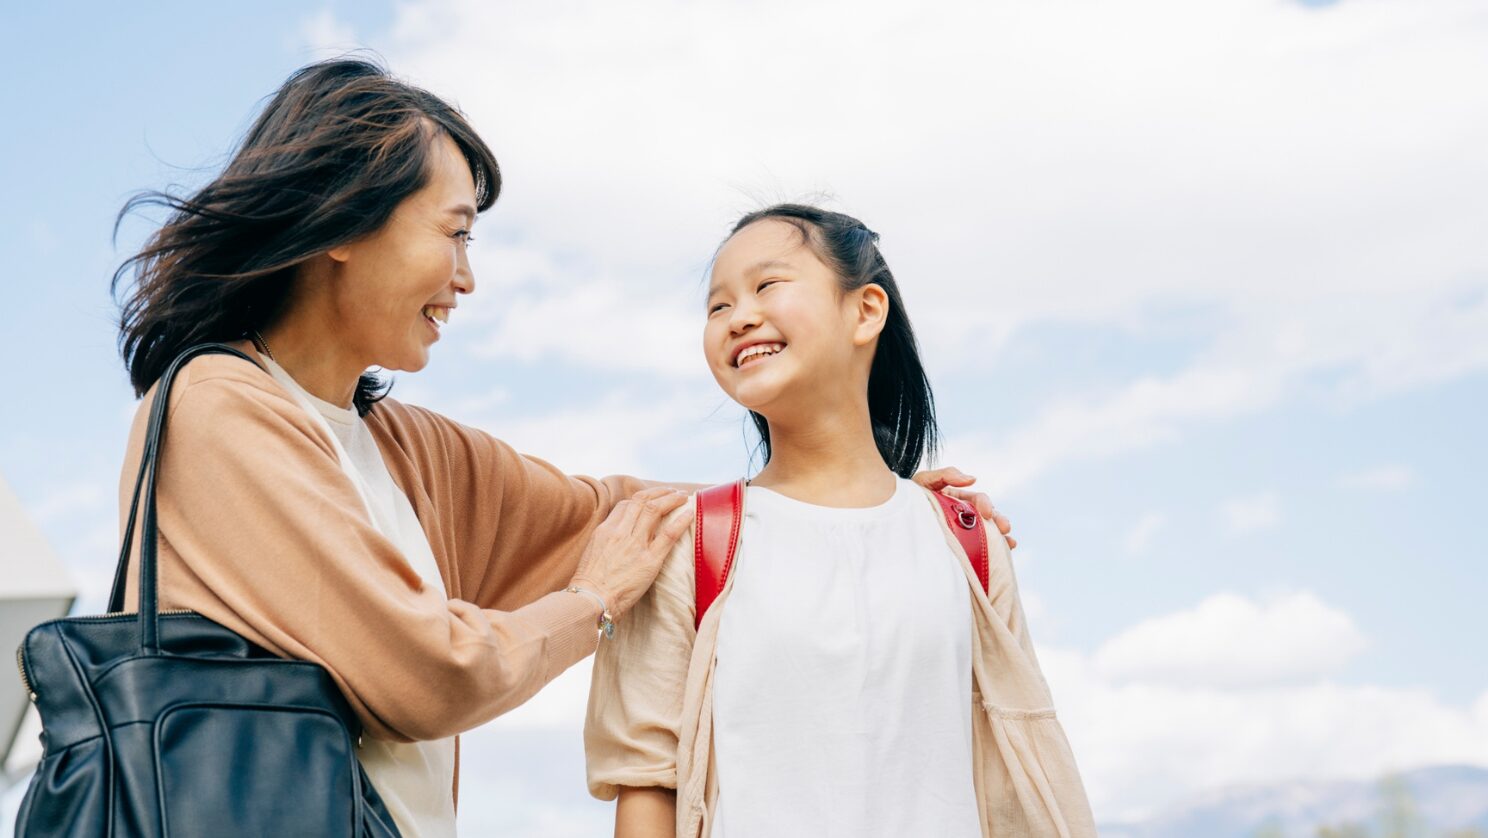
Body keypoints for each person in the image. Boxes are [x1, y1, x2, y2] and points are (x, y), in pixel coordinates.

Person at [111, 60, 1009, 836]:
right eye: (455, 232)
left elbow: (611, 510)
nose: (467, 276)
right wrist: (594, 603)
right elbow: (427, 675)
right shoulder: (215, 406)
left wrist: (855, 501)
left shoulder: (401, 447)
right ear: (345, 221)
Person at [584, 205, 1096, 837]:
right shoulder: (683, 544)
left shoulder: (970, 543)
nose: (739, 316)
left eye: (767, 285)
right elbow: (645, 782)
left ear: (866, 310)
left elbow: (1020, 764)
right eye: (717, 307)